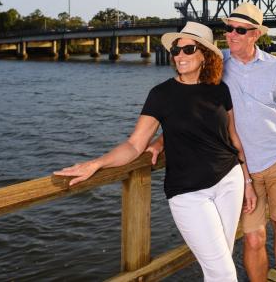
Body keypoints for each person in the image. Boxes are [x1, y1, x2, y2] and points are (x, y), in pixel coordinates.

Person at [54, 22, 256, 282]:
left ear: (204, 54)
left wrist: (247, 180)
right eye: (176, 51)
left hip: (230, 181)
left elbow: (233, 138)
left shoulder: (219, 89)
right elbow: (134, 145)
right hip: (187, 192)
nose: (179, 56)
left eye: (188, 49)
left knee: (219, 265)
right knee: (225, 273)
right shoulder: (161, 94)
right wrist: (97, 163)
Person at [222, 2, 276, 282]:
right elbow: (185, 102)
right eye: (228, 29)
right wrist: (161, 142)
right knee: (254, 238)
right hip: (242, 168)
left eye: (239, 30)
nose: (231, 35)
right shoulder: (216, 65)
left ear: (255, 34)